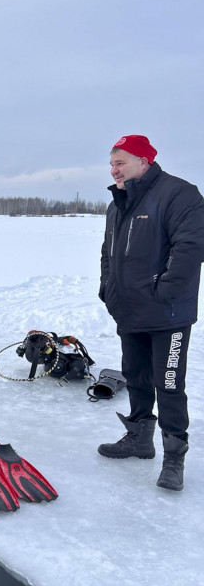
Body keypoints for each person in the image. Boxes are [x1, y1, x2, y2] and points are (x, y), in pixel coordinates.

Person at [98, 134, 204, 491]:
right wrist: (108, 288)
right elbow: (107, 254)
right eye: (111, 163)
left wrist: (166, 291)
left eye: (120, 162)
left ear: (143, 161)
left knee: (169, 383)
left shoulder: (179, 194)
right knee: (136, 377)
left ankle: (174, 457)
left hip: (168, 314)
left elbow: (191, 247)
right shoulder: (118, 204)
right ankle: (139, 439)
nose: (114, 170)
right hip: (129, 311)